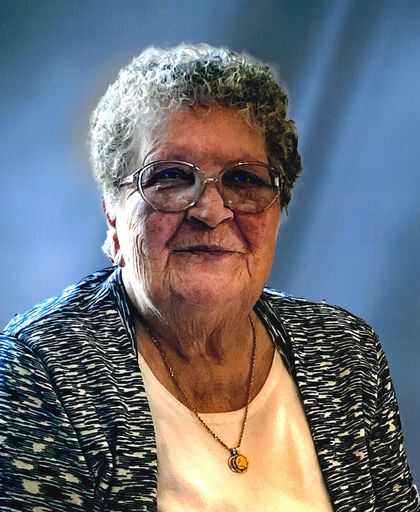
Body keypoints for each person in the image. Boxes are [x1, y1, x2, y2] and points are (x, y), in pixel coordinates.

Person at [1, 44, 418, 512]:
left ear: (276, 211)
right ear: (113, 217)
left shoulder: (346, 353)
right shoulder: (38, 370)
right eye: (171, 176)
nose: (211, 210)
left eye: (243, 179)